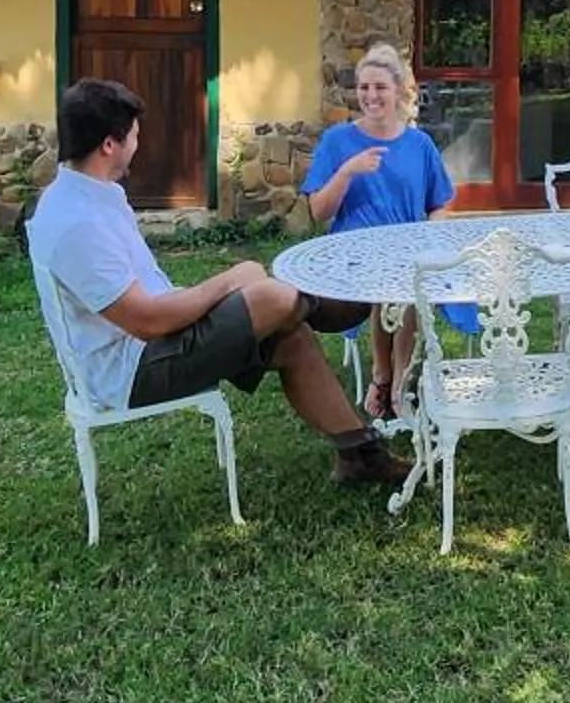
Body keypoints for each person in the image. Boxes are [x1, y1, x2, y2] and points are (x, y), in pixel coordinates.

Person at [31, 78, 410, 486]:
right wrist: (229, 282)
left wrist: (229, 287)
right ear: (109, 145)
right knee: (269, 297)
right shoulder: (76, 224)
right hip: (132, 370)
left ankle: (361, 456)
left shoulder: (91, 194)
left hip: (155, 340)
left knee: (290, 336)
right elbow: (147, 321)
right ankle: (330, 304)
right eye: (135, 136)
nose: (138, 145)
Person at [303, 43, 463, 419]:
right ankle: (384, 374)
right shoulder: (337, 141)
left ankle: (398, 379)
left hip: (408, 248)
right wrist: (347, 171)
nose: (371, 96)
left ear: (399, 91)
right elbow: (318, 211)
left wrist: (431, 234)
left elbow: (440, 204)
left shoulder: (419, 144)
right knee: (389, 275)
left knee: (408, 274)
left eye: (380, 87)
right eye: (364, 87)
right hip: (353, 253)